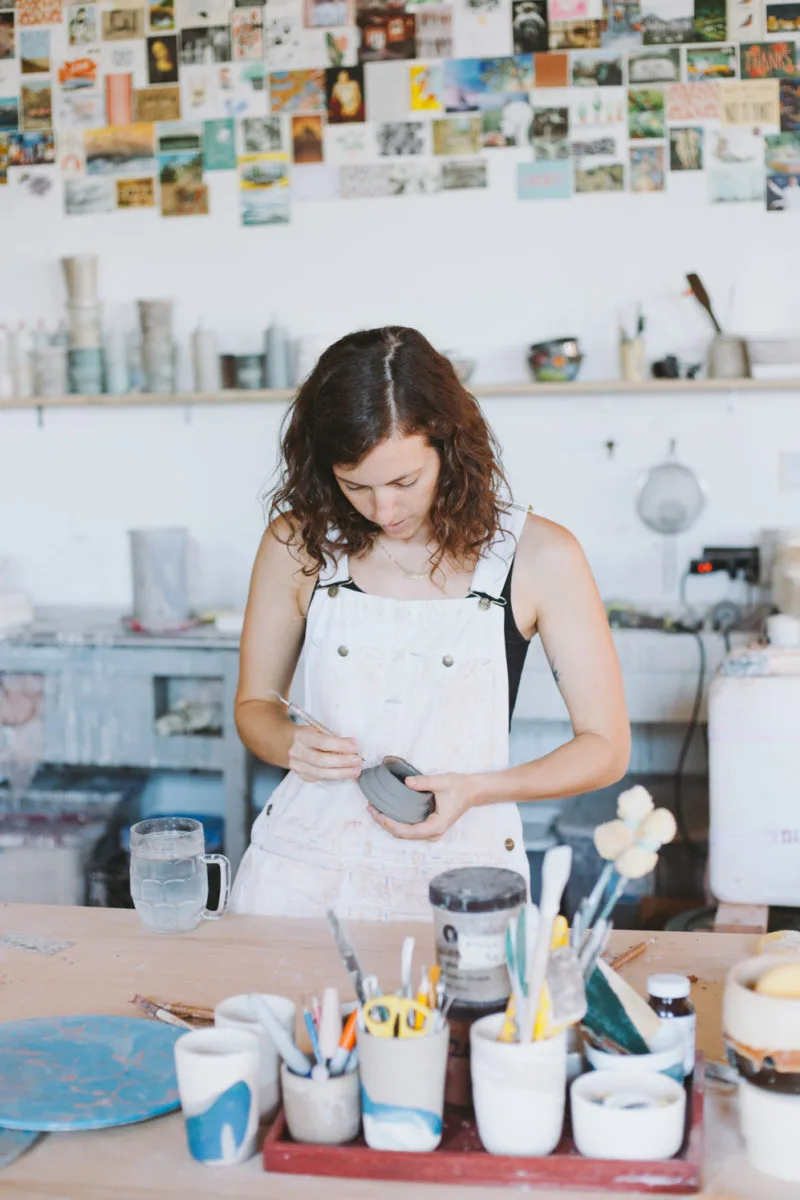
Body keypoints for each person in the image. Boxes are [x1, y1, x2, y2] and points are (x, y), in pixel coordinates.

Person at [230, 327, 630, 921]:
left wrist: (478, 788)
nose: (382, 511)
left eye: (404, 482)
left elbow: (606, 749)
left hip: (464, 876)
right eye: (354, 485)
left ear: (451, 446)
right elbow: (254, 709)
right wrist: (290, 743)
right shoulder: (299, 543)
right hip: (302, 873)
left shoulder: (540, 556)